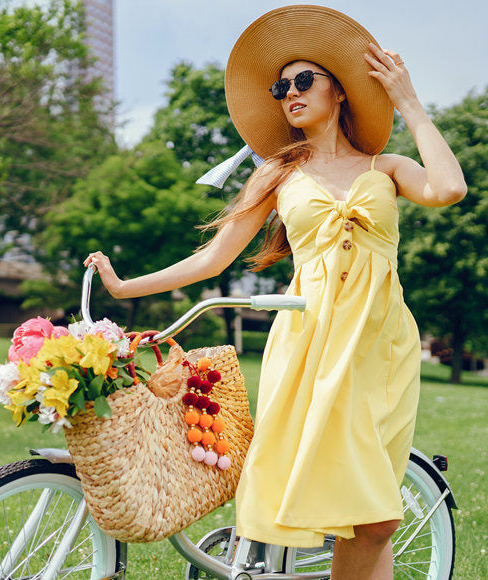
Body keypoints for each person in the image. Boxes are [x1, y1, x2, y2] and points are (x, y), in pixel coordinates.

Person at [84, 5, 466, 579]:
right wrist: (124, 286)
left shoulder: (386, 167)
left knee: (377, 517)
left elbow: (450, 187)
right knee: (342, 505)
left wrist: (408, 102)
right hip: (309, 337)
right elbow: (213, 259)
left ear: (340, 91)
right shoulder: (278, 173)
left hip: (381, 345)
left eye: (303, 80)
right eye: (280, 86)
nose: (289, 92)